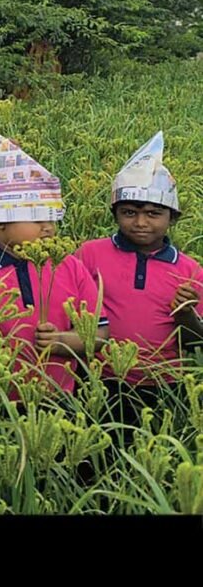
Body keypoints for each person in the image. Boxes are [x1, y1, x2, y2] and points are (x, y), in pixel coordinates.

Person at [0, 129, 109, 397]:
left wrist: (62, 342)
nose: (48, 228)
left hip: (58, 400)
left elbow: (100, 332)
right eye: (36, 218)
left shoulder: (67, 265)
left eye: (52, 218)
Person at [75, 131, 203, 425]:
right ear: (115, 214)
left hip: (163, 386)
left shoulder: (190, 271)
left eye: (154, 213)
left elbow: (195, 343)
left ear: (172, 217)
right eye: (129, 212)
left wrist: (187, 317)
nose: (141, 222)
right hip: (97, 380)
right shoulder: (89, 254)